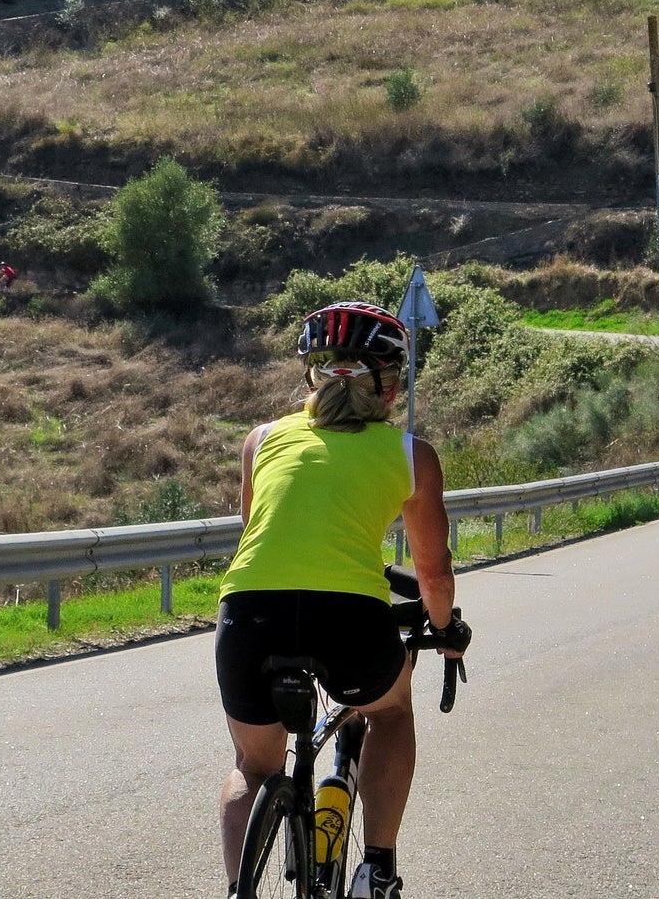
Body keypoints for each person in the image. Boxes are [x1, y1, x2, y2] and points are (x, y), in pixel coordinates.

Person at [215, 300, 471, 899]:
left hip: (250, 613)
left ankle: (236, 890)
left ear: (312, 373)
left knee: (253, 768)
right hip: (350, 618)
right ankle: (377, 869)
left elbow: (267, 536)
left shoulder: (262, 440)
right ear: (391, 382)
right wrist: (445, 632)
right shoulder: (411, 454)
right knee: (389, 713)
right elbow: (434, 572)